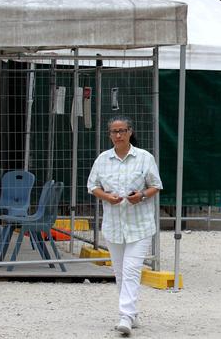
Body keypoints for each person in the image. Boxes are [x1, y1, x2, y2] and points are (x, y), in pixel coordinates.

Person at [87, 116, 163, 335]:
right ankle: (132, 312)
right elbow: (93, 186)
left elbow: (156, 185)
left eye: (122, 131)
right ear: (110, 134)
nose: (118, 135)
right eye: (114, 131)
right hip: (114, 225)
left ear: (130, 132)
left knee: (131, 269)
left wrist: (140, 195)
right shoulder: (103, 159)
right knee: (120, 272)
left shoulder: (144, 158)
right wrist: (106, 197)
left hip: (139, 224)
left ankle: (125, 316)